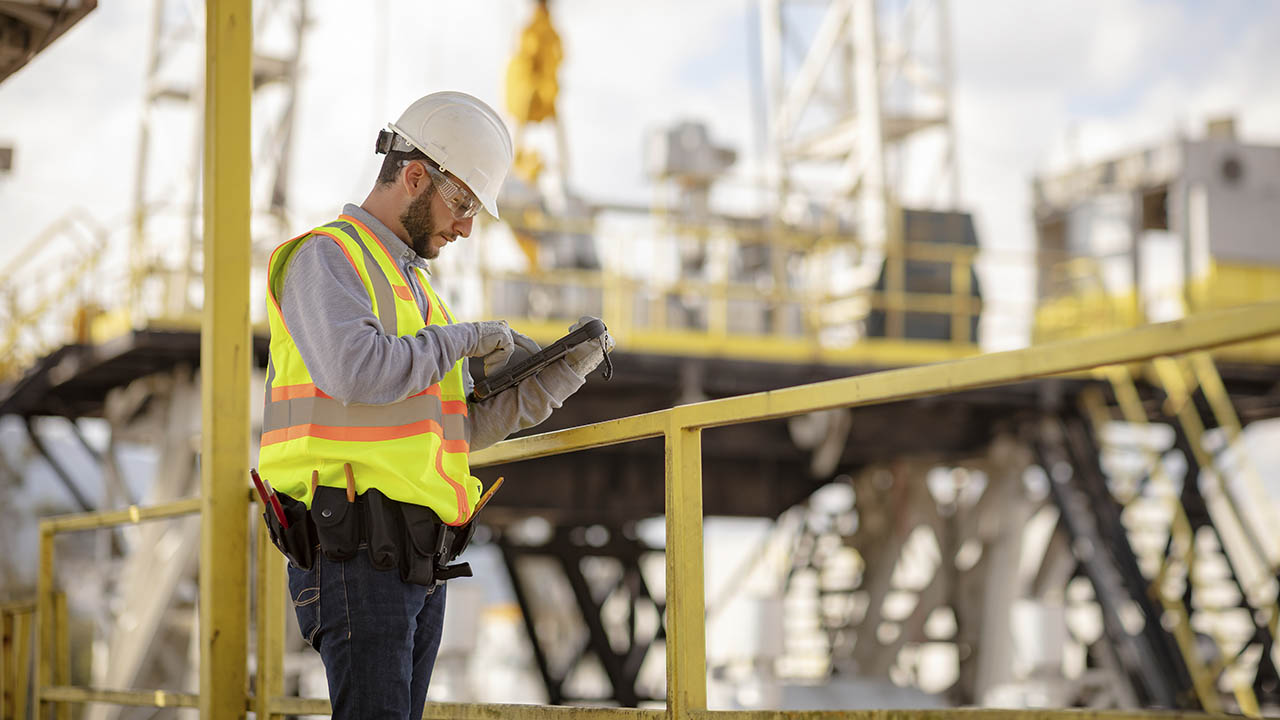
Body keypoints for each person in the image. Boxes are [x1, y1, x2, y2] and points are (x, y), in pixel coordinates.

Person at [257, 91, 612, 719]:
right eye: (464, 202)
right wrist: (468, 337)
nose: (468, 225)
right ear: (414, 175)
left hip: (414, 563)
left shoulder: (418, 292)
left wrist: (555, 378)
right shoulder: (327, 258)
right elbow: (357, 371)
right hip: (355, 557)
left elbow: (457, 427)